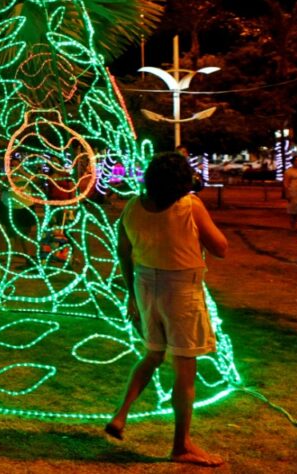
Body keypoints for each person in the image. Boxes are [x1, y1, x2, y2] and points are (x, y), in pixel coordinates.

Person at [105, 152, 228, 467]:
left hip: (145, 285)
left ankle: (121, 415)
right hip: (180, 290)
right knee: (185, 369)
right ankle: (181, 445)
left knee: (154, 354)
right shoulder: (189, 207)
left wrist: (132, 296)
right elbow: (221, 248)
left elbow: (123, 253)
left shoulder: (133, 206)